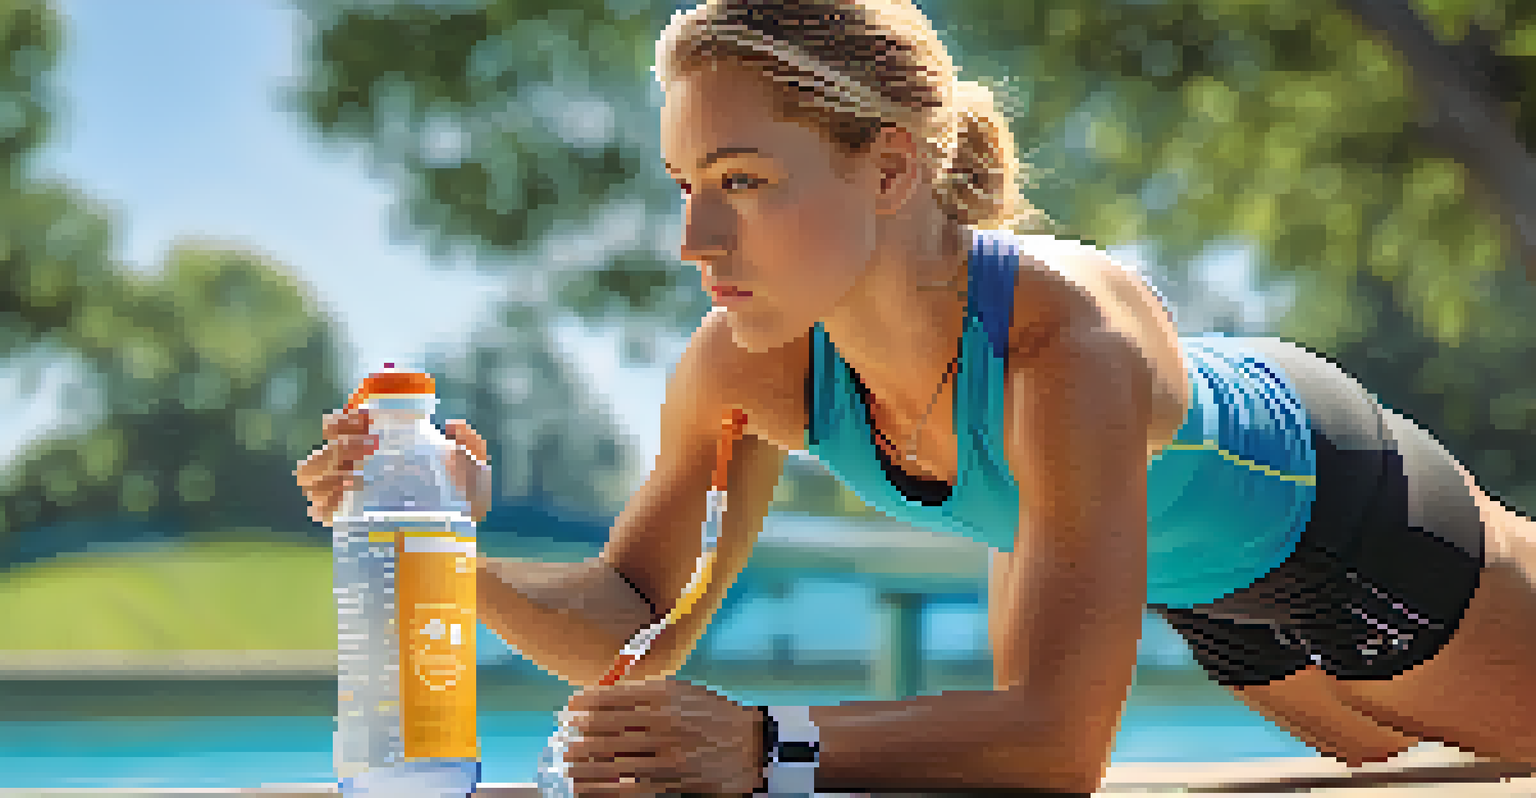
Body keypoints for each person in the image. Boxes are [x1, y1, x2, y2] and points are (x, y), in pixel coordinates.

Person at [295, 0, 1536, 794]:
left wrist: (761, 745)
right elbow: (635, 621)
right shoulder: (743, 365)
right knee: (1378, 753)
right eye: (682, 183)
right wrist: (430, 547)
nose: (692, 238)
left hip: (1356, 522)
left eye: (740, 180)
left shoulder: (1067, 340)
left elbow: (1057, 745)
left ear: (888, 166)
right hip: (1196, 586)